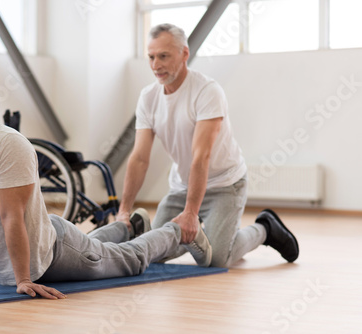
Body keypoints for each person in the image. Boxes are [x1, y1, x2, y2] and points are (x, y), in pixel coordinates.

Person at [0, 69, 211, 300]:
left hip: (52, 256)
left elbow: (11, 216)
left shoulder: (8, 145)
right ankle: (129, 226)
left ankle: (177, 230)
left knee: (131, 260)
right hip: (25, 253)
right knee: (96, 247)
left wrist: (23, 280)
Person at [116, 23, 299, 268]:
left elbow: (201, 156)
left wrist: (191, 213)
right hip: (182, 186)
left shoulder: (207, 91)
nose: (155, 65)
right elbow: (139, 158)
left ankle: (265, 228)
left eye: (163, 56)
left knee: (217, 259)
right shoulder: (148, 98)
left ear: (184, 53)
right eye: (151, 57)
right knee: (155, 253)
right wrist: (124, 210)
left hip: (224, 184)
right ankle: (204, 235)